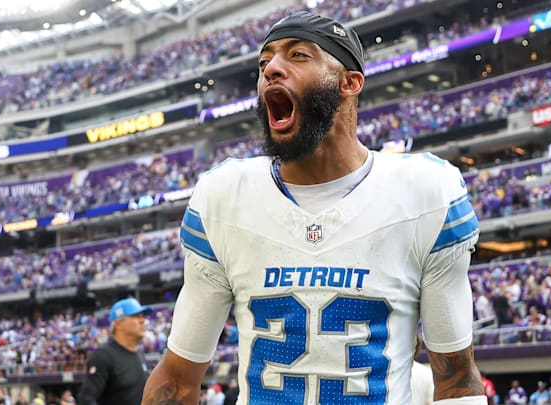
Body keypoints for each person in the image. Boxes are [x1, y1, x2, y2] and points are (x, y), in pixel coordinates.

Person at [142, 10, 484, 405]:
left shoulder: (426, 193)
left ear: (350, 82)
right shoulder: (224, 196)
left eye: (298, 55)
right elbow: (178, 379)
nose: (271, 68)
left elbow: (456, 382)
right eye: (264, 60)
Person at [78, 297, 152, 405]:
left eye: (143, 316)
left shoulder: (139, 354)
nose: (143, 320)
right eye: (135, 316)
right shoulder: (104, 356)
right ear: (118, 323)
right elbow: (86, 399)